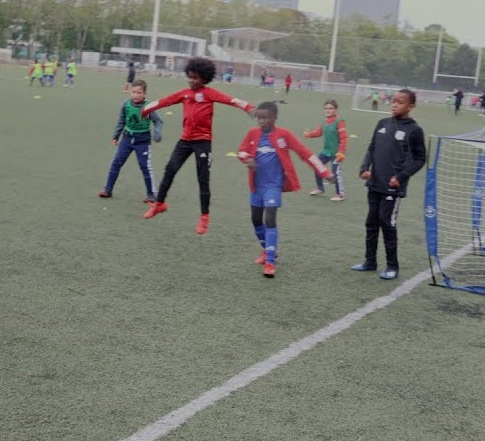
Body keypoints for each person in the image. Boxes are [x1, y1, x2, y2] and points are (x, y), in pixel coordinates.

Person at [141, 57, 256, 234]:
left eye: (195, 78)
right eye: (190, 77)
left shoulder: (209, 93)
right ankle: (159, 204)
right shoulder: (184, 94)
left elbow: (230, 100)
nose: (192, 81)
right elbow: (164, 101)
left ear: (204, 78)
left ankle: (204, 217)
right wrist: (146, 109)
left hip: (202, 142)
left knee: (203, 179)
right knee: (170, 169)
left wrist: (248, 107)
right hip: (185, 141)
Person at [237, 101, 332, 276]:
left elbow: (305, 153)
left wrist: (324, 171)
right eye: (259, 117)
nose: (261, 121)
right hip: (256, 186)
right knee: (256, 220)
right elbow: (241, 151)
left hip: (273, 186)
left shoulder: (284, 135)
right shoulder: (252, 134)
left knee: (270, 219)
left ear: (275, 118)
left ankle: (270, 262)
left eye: (266, 118)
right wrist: (247, 159)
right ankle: (267, 250)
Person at [352, 89, 427, 280]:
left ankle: (392, 266)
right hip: (374, 183)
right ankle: (370, 262)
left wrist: (401, 177)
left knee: (387, 223)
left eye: (400, 102)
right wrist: (364, 168)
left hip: (392, 188)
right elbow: (371, 148)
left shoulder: (414, 129)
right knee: (371, 223)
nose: (395, 104)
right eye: (394, 101)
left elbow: (420, 159)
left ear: (410, 106)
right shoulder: (383, 123)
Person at [99, 79, 163, 202]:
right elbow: (121, 121)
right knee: (116, 163)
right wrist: (116, 136)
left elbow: (158, 121)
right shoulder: (126, 104)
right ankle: (108, 189)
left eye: (139, 92)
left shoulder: (148, 107)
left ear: (144, 94)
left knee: (145, 166)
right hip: (127, 139)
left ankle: (151, 194)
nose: (136, 95)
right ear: (130, 92)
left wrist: (157, 132)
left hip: (143, 141)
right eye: (133, 92)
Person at [303, 99, 349, 201]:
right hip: (326, 151)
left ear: (335, 109)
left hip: (337, 153)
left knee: (335, 172)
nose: (328, 110)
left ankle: (340, 194)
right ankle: (320, 188)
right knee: (317, 166)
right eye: (326, 108)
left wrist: (341, 152)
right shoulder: (324, 121)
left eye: (330, 108)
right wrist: (309, 134)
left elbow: (344, 138)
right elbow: (319, 132)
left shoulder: (339, 121)